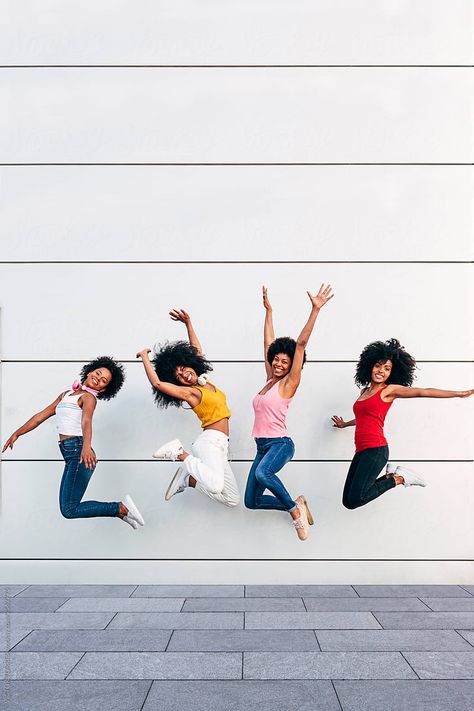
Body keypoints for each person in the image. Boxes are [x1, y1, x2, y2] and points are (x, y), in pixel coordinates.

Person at [2, 356, 144, 529]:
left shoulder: (89, 398)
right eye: (98, 373)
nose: (98, 379)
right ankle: (120, 510)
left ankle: (120, 508)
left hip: (80, 453)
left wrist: (86, 447)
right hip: (71, 453)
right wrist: (17, 433)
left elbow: (86, 422)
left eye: (103, 380)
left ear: (104, 388)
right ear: (90, 371)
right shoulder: (66, 394)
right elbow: (40, 416)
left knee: (69, 509)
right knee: (68, 508)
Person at [332, 338, 474, 510]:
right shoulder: (364, 391)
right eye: (378, 366)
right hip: (361, 450)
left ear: (392, 373)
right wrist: (345, 424)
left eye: (387, 369)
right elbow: (364, 417)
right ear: (369, 366)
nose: (381, 371)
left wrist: (459, 393)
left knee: (356, 499)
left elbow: (423, 391)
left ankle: (397, 479)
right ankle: (392, 477)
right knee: (348, 501)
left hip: (375, 449)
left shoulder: (389, 390)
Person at [244, 284, 334, 540]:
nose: (279, 363)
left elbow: (301, 344)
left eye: (285, 361)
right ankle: (297, 503)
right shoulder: (269, 380)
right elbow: (267, 343)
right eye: (276, 359)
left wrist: (315, 310)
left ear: (292, 365)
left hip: (280, 444)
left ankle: (295, 512)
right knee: (252, 500)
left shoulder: (289, 383)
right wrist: (268, 312)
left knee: (264, 473)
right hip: (262, 446)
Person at [136, 309, 239, 507]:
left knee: (232, 499)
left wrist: (188, 323)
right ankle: (179, 453)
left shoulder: (205, 382)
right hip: (209, 442)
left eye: (184, 369)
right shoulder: (191, 393)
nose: (184, 376)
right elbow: (158, 384)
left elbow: (196, 350)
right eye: (179, 378)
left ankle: (189, 479)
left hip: (221, 445)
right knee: (216, 486)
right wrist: (145, 358)